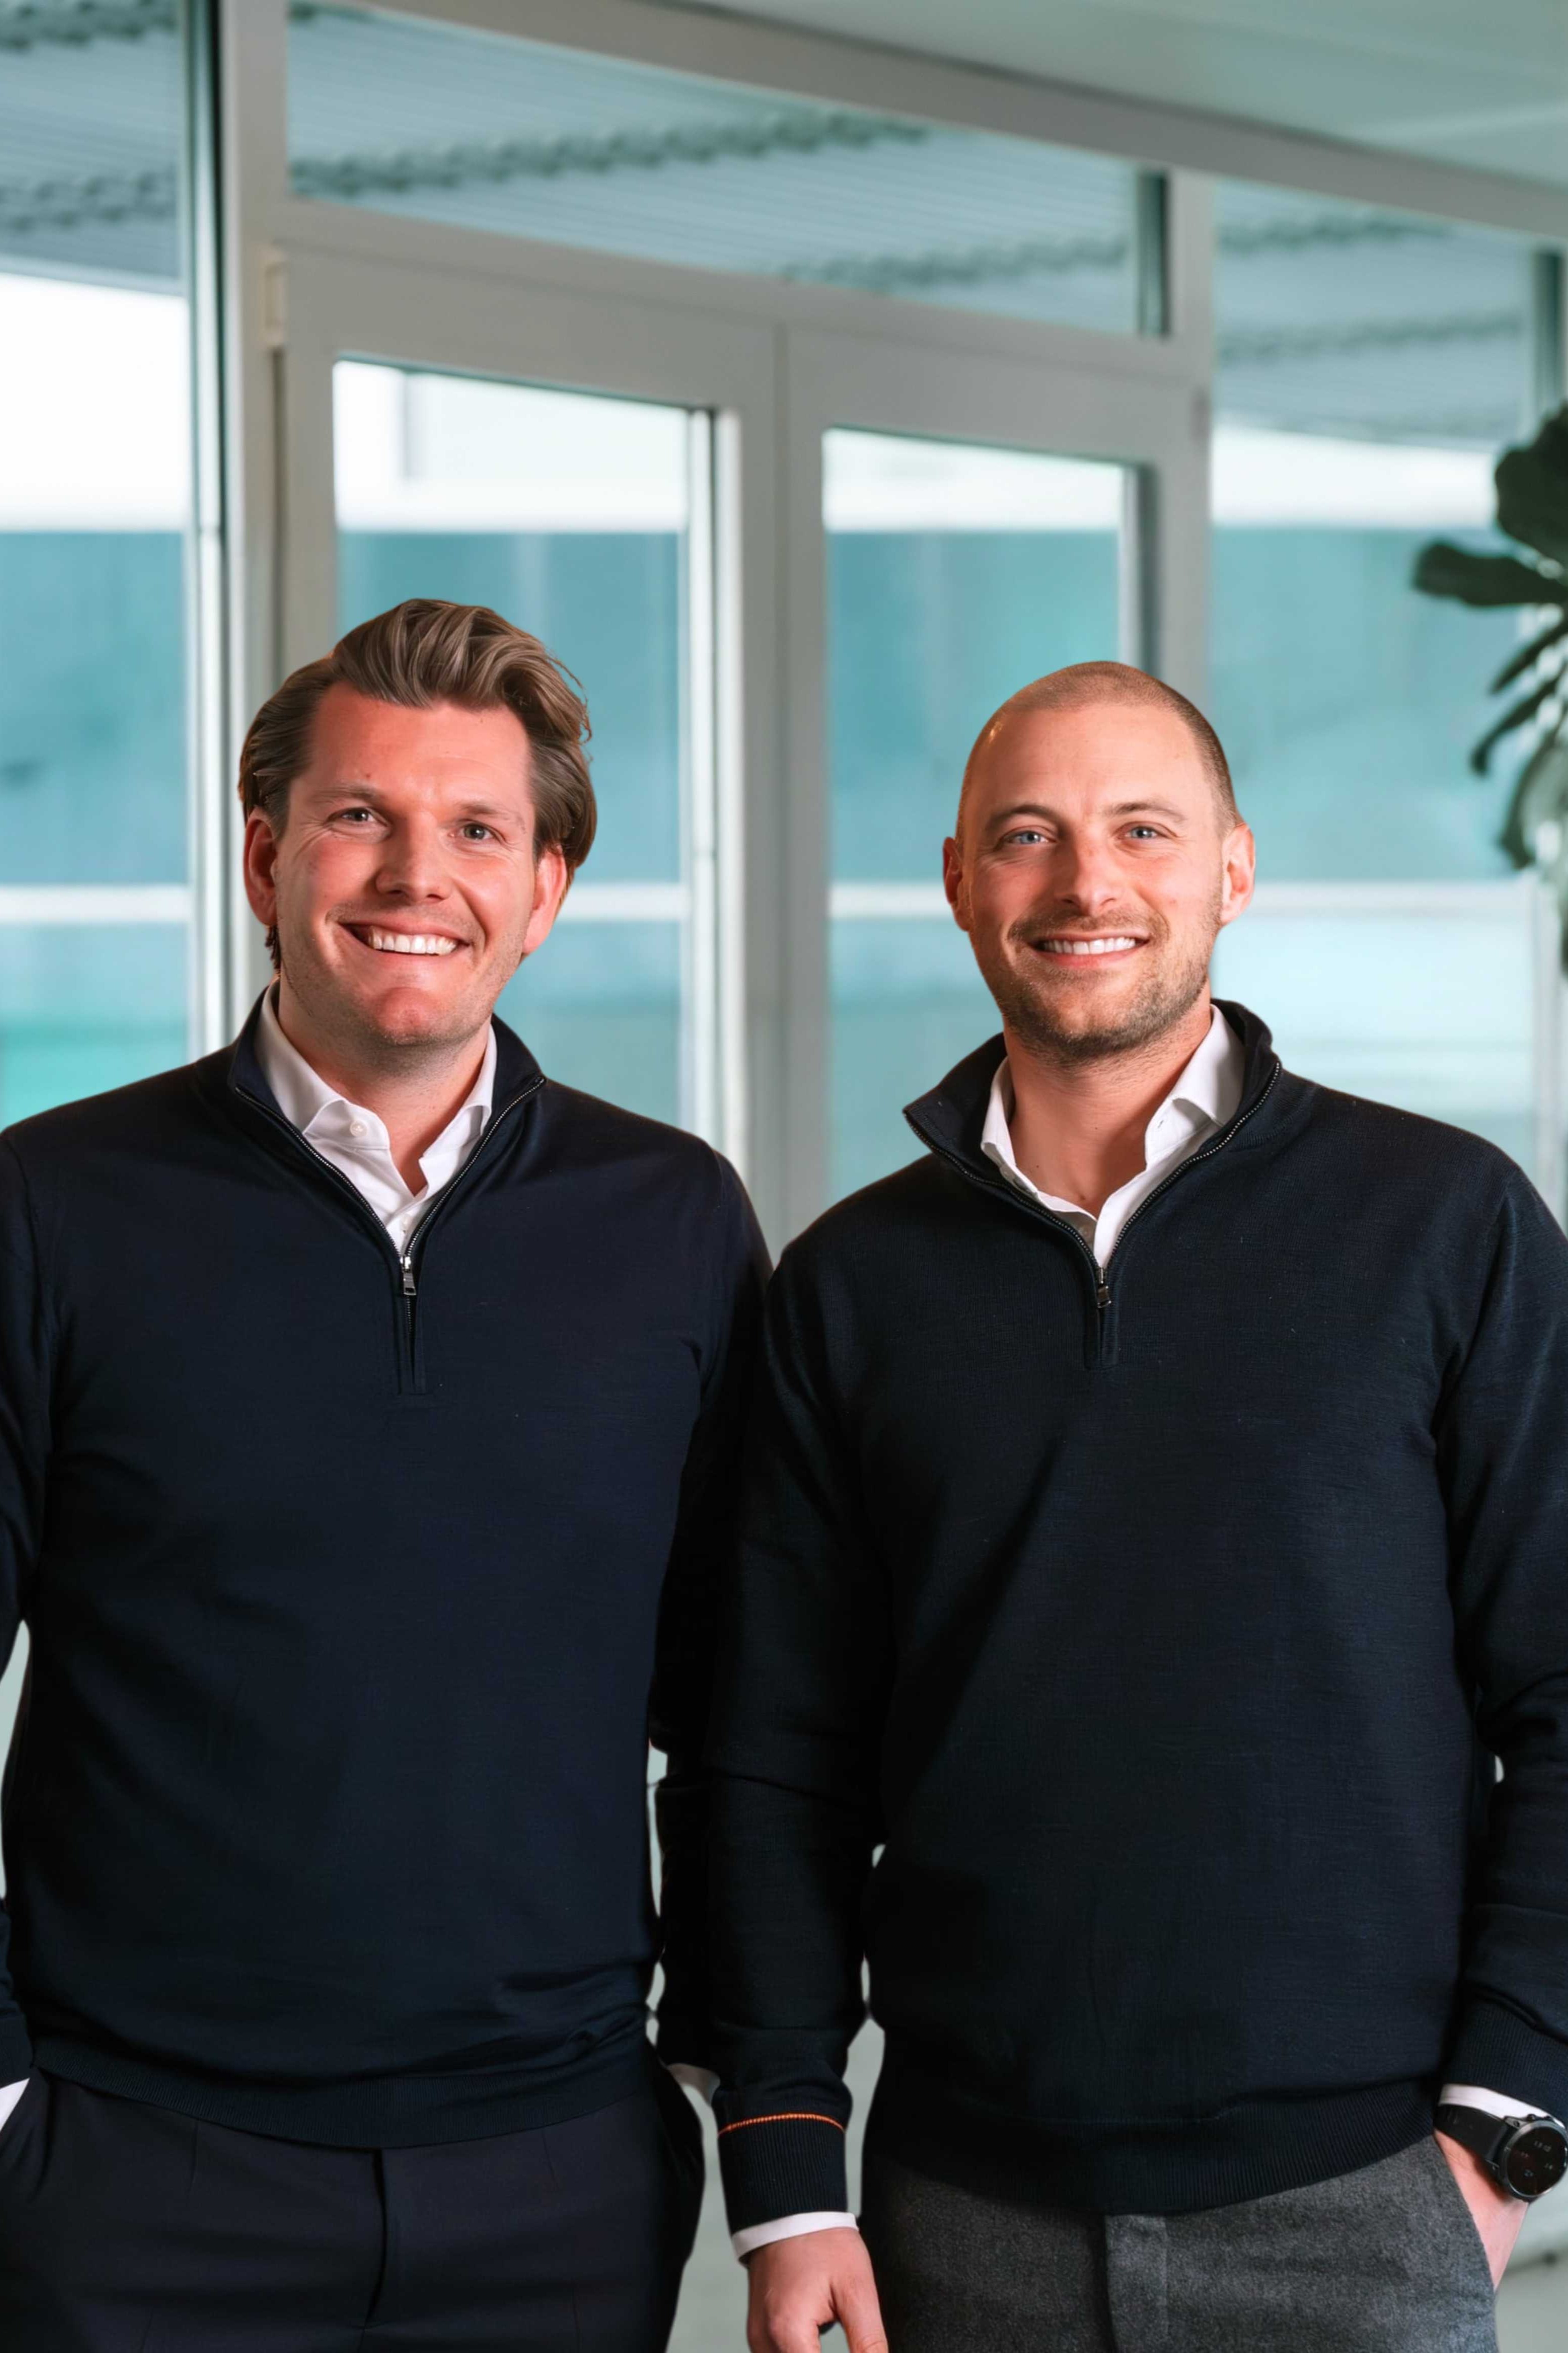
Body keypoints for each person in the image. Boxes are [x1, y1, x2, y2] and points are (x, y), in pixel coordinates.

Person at [709, 661, 1568, 2353]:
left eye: (1141, 831)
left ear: (1232, 869)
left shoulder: (1445, 1227)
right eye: (1026, 837)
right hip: (962, 2218)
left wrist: (1501, 2128)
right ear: (958, 880)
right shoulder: (850, 1289)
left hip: (1372, 2204)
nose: (1086, 884)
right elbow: (770, 1755)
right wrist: (792, 2170)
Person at [0, 599, 766, 2349]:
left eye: (479, 830)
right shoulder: (49, 1212)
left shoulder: (674, 1225)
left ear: (546, 889)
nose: (416, 872)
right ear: (266, 854)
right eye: (360, 816)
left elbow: (746, 1714)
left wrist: (733, 2097)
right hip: (129, 2175)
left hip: (559, 2178)